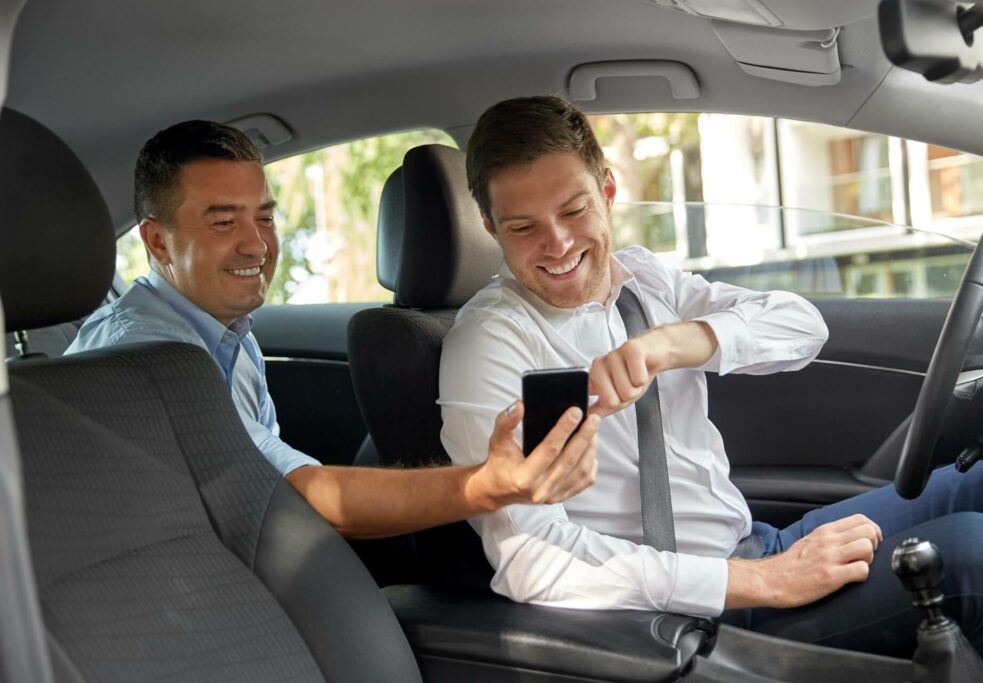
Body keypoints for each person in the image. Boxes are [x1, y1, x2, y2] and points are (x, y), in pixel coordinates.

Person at [438, 95, 983, 667]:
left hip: (757, 544)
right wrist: (765, 580)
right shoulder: (491, 344)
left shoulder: (643, 281)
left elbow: (802, 325)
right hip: (687, 612)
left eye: (573, 211)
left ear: (608, 192)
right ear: (490, 226)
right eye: (524, 227)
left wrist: (675, 342)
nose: (559, 244)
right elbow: (534, 559)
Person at [67, 119, 600, 540]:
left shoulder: (225, 331)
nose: (257, 245)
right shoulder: (146, 358)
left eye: (265, 218)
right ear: (157, 242)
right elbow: (300, 496)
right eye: (224, 222)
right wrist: (489, 484)